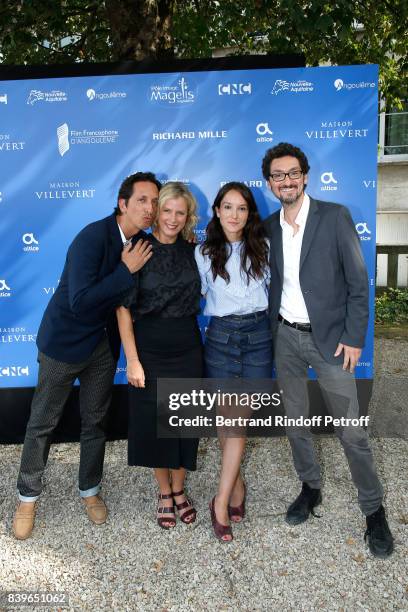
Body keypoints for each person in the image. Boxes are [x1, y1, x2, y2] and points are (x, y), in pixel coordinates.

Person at [262, 142, 394, 558]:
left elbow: (358, 284)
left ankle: (373, 510)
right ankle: (310, 487)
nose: (286, 180)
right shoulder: (267, 227)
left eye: (293, 173)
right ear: (270, 183)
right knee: (296, 422)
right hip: (285, 338)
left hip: (332, 341)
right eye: (278, 175)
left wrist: (355, 337)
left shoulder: (335, 217)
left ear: (305, 175)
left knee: (352, 432)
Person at [12, 172, 160, 540]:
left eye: (155, 202)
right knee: (42, 422)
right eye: (142, 200)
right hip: (64, 343)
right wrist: (125, 270)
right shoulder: (92, 238)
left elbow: (127, 301)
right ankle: (27, 497)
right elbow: (80, 301)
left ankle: (89, 490)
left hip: (101, 348)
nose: (151, 209)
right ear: (123, 203)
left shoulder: (143, 243)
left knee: (94, 422)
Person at [116, 181, 202, 529]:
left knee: (183, 423)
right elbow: (123, 308)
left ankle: (180, 489)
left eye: (180, 213)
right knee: (155, 424)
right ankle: (163, 491)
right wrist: (132, 360)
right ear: (156, 211)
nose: (172, 218)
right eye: (166, 210)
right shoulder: (137, 248)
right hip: (149, 347)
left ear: (187, 217)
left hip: (187, 345)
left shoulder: (194, 249)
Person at [195, 182, 271, 541]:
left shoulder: (265, 248)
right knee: (229, 421)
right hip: (221, 337)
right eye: (228, 207)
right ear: (216, 210)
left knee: (237, 421)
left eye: (241, 208)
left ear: (249, 213)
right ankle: (226, 496)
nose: (234, 215)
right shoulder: (203, 252)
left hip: (258, 338)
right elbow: (190, 295)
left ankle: (223, 494)